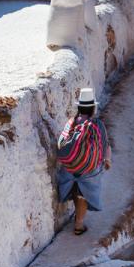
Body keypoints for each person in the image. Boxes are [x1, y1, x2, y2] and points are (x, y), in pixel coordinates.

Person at [56, 88, 112, 235]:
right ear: (93, 108)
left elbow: (63, 142)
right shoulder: (97, 124)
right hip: (88, 169)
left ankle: (77, 218)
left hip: (69, 167)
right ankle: (79, 225)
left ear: (79, 107)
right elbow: (105, 145)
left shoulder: (71, 122)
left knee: (76, 189)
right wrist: (107, 159)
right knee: (83, 193)